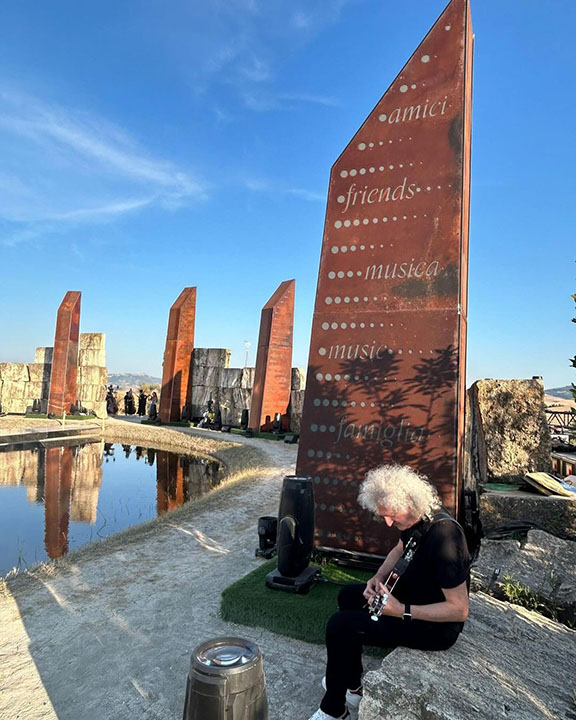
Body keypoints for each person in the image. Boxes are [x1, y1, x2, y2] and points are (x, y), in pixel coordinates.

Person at [308, 464, 470, 720]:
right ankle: (354, 686)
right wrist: (377, 577)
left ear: (410, 501)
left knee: (340, 626)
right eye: (383, 515)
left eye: (391, 514)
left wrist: (400, 610)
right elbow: (399, 548)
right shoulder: (416, 517)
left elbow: (459, 610)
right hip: (412, 597)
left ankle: (334, 709)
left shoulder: (445, 537)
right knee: (348, 596)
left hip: (435, 627)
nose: (387, 521)